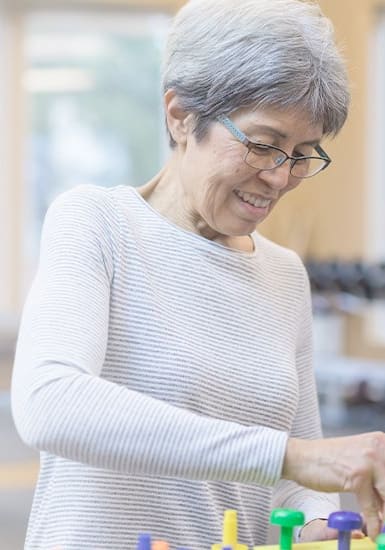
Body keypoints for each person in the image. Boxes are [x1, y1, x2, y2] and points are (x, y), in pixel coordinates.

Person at [11, 0, 385, 548]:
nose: (280, 178)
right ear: (181, 115)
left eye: (304, 153)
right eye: (263, 143)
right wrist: (291, 455)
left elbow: (291, 489)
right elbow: (50, 401)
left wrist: (332, 525)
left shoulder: (283, 275)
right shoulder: (97, 223)